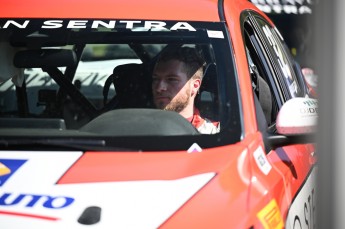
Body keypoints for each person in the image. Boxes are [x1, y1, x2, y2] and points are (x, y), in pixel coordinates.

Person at [152, 46, 220, 134]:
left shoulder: (214, 133)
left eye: (171, 79)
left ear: (195, 86)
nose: (159, 88)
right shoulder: (136, 129)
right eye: (156, 79)